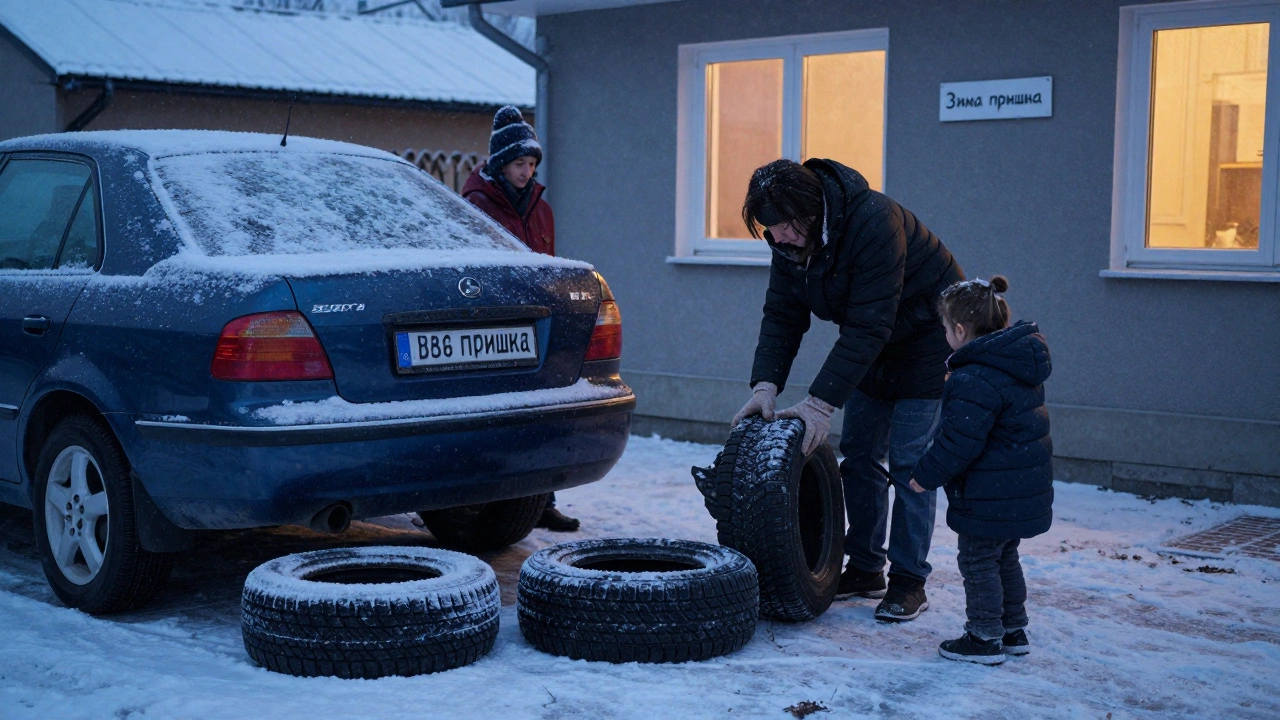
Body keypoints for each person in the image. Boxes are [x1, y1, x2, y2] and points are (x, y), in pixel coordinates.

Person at [731, 158, 964, 622]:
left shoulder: (874, 222)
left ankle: (909, 580)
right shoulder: (787, 240)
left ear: (811, 211)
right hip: (873, 344)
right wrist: (765, 384)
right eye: (770, 229)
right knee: (858, 458)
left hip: (927, 341)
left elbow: (869, 324)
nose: (779, 237)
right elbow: (783, 313)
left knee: (910, 465)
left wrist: (820, 404)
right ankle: (865, 567)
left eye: (785, 226)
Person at [907, 276, 1053, 664]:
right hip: (1015, 486)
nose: (944, 336)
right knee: (1004, 557)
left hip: (989, 493)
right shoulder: (1013, 365)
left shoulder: (974, 376)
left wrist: (925, 475)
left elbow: (959, 441)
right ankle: (1012, 629)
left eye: (944, 329)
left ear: (959, 330)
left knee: (977, 560)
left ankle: (984, 636)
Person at [462, 105, 577, 532]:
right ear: (500, 164)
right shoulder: (476, 205)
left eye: (531, 163)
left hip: (535, 324)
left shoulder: (541, 209)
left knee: (541, 411)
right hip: (492, 325)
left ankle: (541, 499)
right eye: (518, 164)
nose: (526, 172)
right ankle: (476, 502)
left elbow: (547, 264)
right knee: (496, 415)